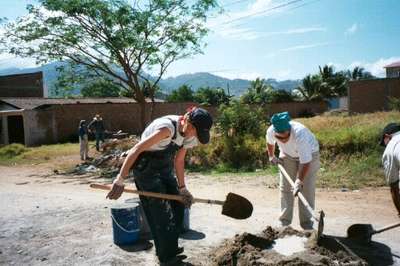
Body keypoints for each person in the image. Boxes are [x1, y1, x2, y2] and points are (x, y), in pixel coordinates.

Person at [106, 107, 213, 266]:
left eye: (196, 134)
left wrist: (182, 188)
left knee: (178, 206)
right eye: (193, 131)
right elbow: (136, 149)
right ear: (187, 122)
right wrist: (120, 180)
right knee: (160, 212)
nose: (193, 135)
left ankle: (170, 249)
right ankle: (167, 258)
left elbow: (179, 160)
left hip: (164, 167)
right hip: (145, 167)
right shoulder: (166, 129)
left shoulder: (189, 136)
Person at [266, 111, 320, 230]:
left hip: (310, 155)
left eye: (286, 137)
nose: (283, 140)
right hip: (287, 155)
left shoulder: (300, 133)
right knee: (285, 187)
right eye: (279, 137)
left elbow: (305, 161)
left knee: (306, 189)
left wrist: (299, 181)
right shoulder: (271, 131)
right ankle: (284, 222)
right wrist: (271, 156)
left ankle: (307, 224)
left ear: (290, 130)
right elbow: (270, 143)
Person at [380, 123, 400, 218]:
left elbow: (394, 188)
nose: (385, 146)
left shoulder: (390, 149)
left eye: (384, 143)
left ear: (387, 136)